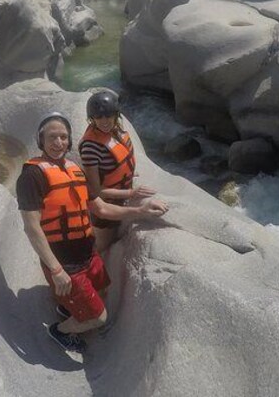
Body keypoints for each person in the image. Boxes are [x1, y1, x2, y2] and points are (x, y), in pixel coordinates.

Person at [16, 112, 168, 354]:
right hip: (65, 263)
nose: (58, 143)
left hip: (87, 252)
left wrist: (141, 210)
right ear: (41, 140)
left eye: (63, 137)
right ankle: (60, 330)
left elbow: (101, 208)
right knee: (98, 319)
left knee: (103, 288)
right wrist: (56, 271)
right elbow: (32, 227)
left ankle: (69, 307)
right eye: (52, 137)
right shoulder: (32, 176)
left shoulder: (74, 169)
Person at [80, 90, 167, 253]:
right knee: (102, 246)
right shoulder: (91, 147)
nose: (104, 121)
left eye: (108, 115)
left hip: (121, 192)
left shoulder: (116, 131)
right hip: (108, 205)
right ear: (92, 118)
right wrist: (131, 193)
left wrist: (128, 176)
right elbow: (96, 190)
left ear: (116, 114)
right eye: (98, 117)